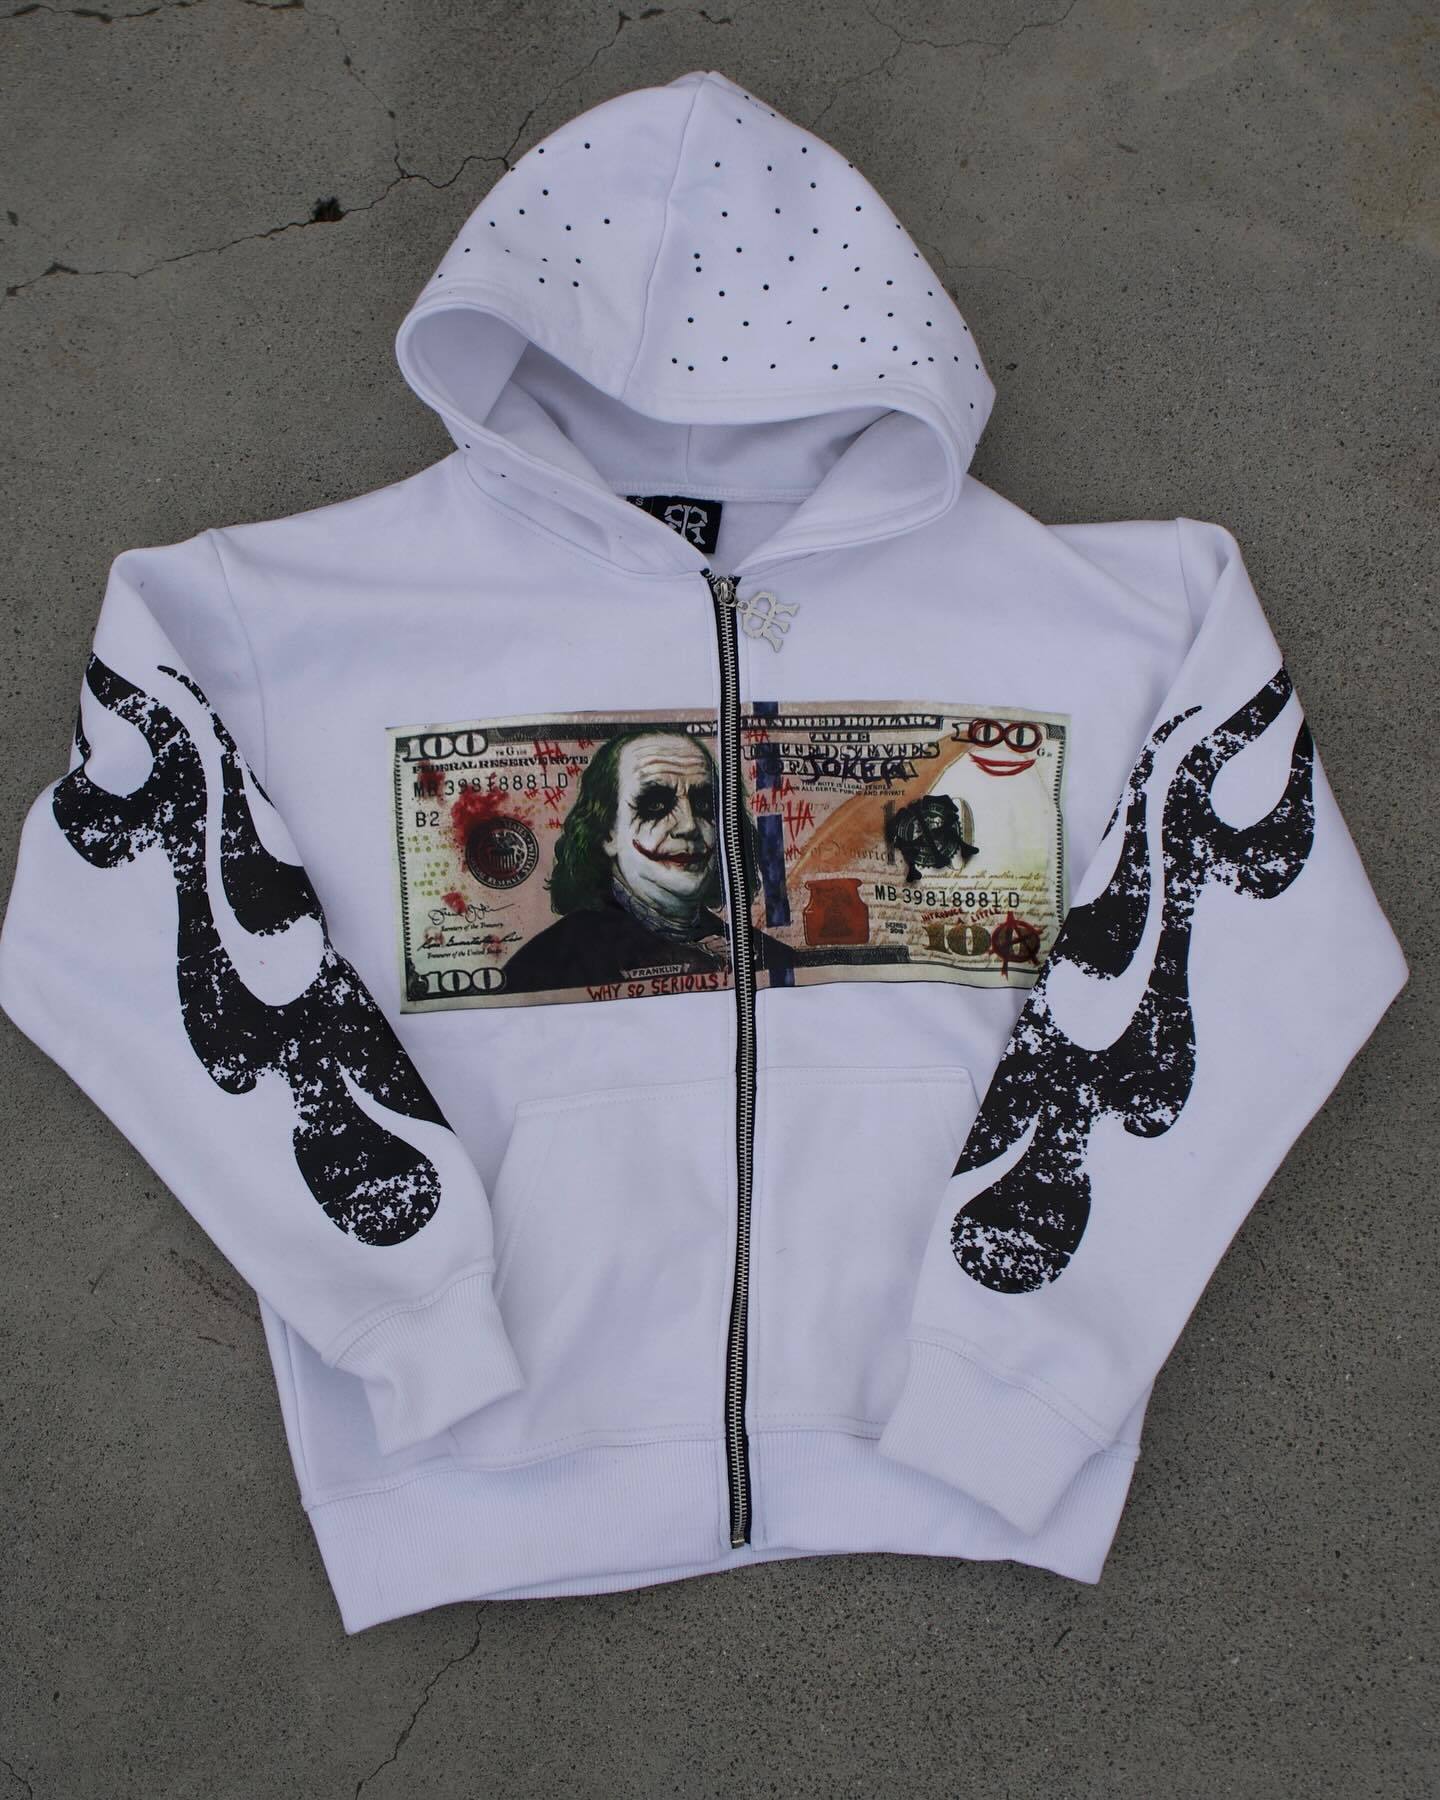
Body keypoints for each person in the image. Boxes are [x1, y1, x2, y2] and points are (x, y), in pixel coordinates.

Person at [499, 726, 796, 996]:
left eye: (705, 804)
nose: (689, 826)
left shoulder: (776, 959)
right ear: (607, 832)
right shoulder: (542, 969)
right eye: (656, 805)